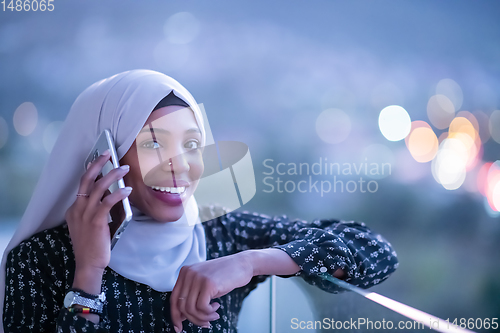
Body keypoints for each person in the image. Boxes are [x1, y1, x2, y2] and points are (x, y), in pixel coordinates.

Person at [1, 70, 398, 333]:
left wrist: (250, 262)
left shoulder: (220, 235)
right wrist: (88, 274)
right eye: (153, 143)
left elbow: (376, 254)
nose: (180, 168)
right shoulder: (41, 259)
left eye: (192, 144)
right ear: (105, 155)